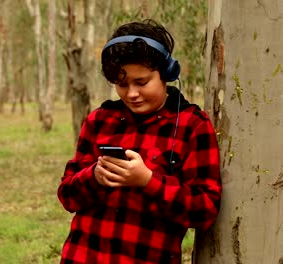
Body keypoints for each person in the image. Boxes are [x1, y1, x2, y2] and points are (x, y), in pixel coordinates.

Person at [57, 19, 222, 264]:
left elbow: (205, 210)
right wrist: (94, 176)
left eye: (142, 82)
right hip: (83, 257)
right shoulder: (99, 120)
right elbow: (67, 197)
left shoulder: (192, 125)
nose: (131, 94)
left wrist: (147, 181)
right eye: (122, 85)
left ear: (167, 73)